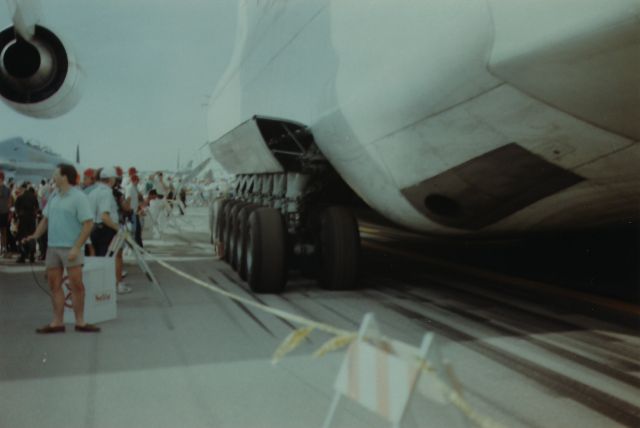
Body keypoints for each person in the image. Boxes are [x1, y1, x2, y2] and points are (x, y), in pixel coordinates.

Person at [24, 164, 99, 333]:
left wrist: (77, 247)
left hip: (71, 248)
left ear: (65, 177)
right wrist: (35, 236)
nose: (53, 177)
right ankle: (57, 322)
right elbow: (45, 220)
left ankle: (80, 322)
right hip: (53, 247)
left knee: (76, 285)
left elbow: (88, 224)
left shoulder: (79, 197)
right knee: (54, 285)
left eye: (55, 174)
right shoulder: (53, 196)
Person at [89, 167, 131, 294]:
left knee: (100, 260)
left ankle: (100, 288)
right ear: (111, 180)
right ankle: (112, 287)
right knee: (112, 258)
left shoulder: (93, 192)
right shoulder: (107, 192)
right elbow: (104, 216)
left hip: (95, 229)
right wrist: (118, 228)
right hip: (106, 230)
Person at [14, 183, 39, 263]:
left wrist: (17, 216)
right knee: (31, 236)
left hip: (23, 218)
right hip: (31, 218)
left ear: (22, 188)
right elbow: (37, 208)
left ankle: (23, 255)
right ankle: (32, 255)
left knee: (22, 236)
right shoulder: (33, 196)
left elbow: (16, 209)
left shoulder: (20, 197)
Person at [0, 171, 12, 257]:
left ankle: (3, 247)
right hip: (4, 212)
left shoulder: (7, 190)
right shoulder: (7, 189)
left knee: (4, 231)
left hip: (4, 212)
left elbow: (9, 202)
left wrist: (9, 212)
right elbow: (9, 202)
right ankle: (3, 247)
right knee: (4, 232)